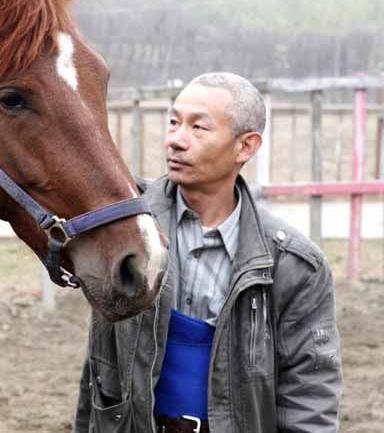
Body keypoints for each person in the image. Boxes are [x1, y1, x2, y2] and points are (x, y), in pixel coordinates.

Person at [73, 73, 342, 433]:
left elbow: (310, 397)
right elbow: (97, 375)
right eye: (173, 122)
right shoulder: (128, 232)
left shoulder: (293, 265)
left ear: (245, 146)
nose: (176, 140)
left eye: (198, 128)